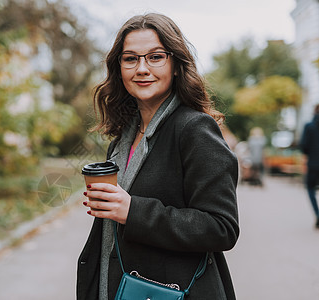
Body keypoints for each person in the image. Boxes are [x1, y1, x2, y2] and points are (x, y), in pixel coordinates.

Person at [77, 13, 239, 299]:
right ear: (119, 69)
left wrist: (133, 211)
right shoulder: (123, 138)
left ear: (176, 65)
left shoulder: (194, 129)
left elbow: (221, 227)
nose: (141, 68)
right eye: (130, 59)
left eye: (155, 57)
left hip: (170, 291)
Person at [299, 104, 319, 229]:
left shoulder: (309, 126)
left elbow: (303, 145)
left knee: (310, 189)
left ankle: (317, 213)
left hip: (313, 164)